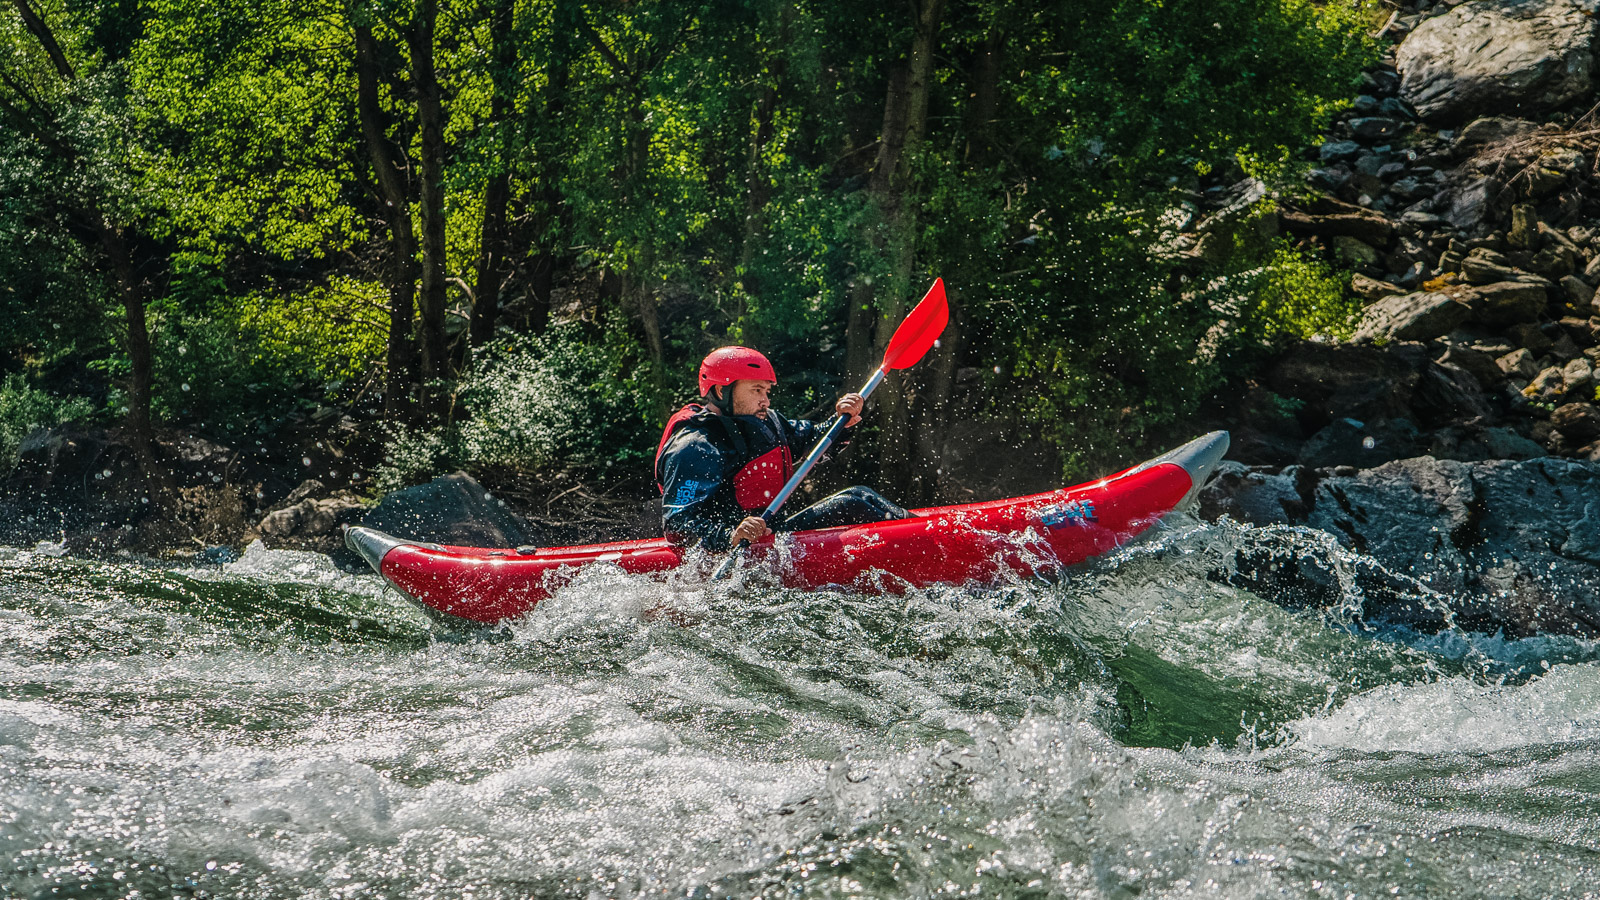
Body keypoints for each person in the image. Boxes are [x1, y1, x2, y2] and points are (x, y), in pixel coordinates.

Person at [655, 346, 913, 551]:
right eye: (757, 390)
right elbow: (677, 524)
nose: (765, 400)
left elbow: (816, 441)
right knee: (849, 505)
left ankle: (919, 527)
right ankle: (922, 540)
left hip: (773, 535)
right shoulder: (696, 446)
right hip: (741, 548)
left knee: (860, 495)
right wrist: (730, 536)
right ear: (722, 391)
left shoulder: (768, 423)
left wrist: (842, 420)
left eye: (767, 391)